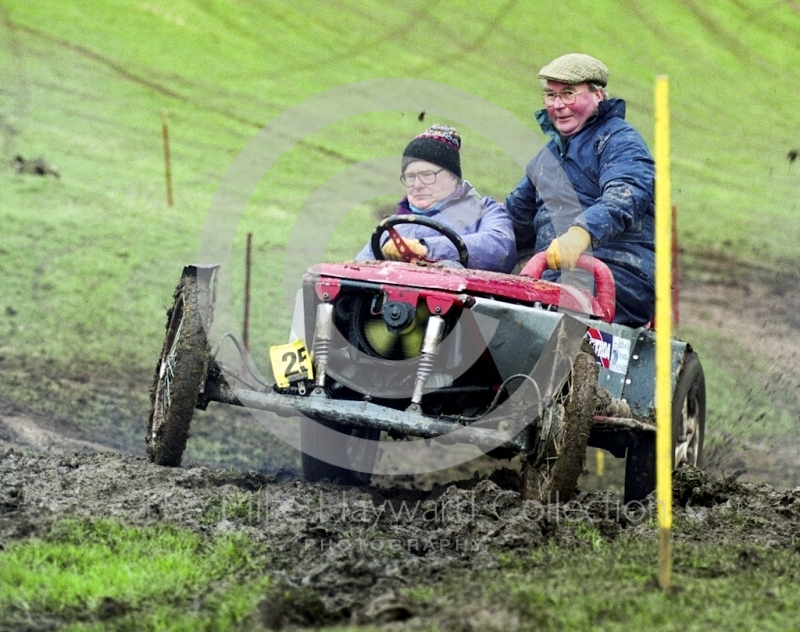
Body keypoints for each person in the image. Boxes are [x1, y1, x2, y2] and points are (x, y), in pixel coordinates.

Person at [504, 53, 655, 326]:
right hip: (552, 276)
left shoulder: (619, 140)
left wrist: (580, 234)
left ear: (599, 95)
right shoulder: (545, 158)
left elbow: (627, 193)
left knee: (551, 312)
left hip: (620, 273)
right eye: (551, 95)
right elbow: (512, 220)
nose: (558, 105)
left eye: (569, 94)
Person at [355, 124, 517, 273]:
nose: (417, 185)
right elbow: (357, 270)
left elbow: (501, 249)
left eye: (427, 175)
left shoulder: (480, 211)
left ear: (453, 178)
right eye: (410, 176)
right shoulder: (392, 226)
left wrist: (425, 249)